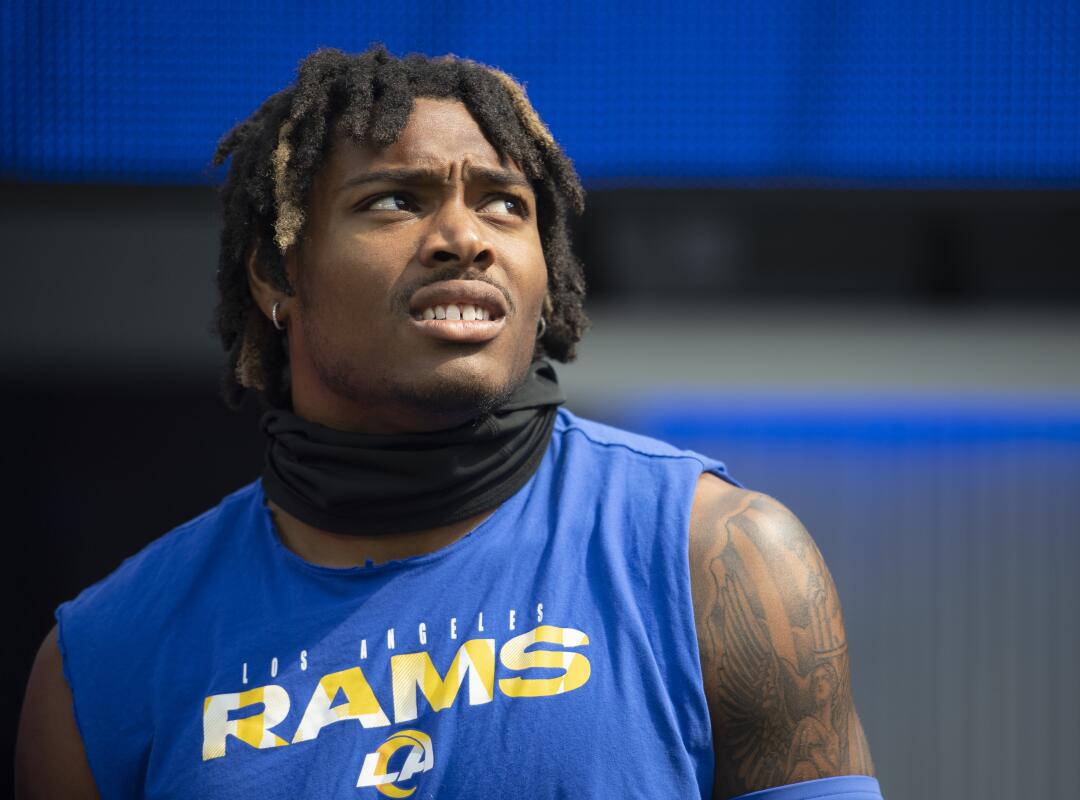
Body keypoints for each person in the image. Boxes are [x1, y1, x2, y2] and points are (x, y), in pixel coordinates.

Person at [16, 47, 882, 800]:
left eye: (507, 204)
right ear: (277, 273)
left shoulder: (719, 558)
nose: (465, 237)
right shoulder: (102, 662)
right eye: (394, 200)